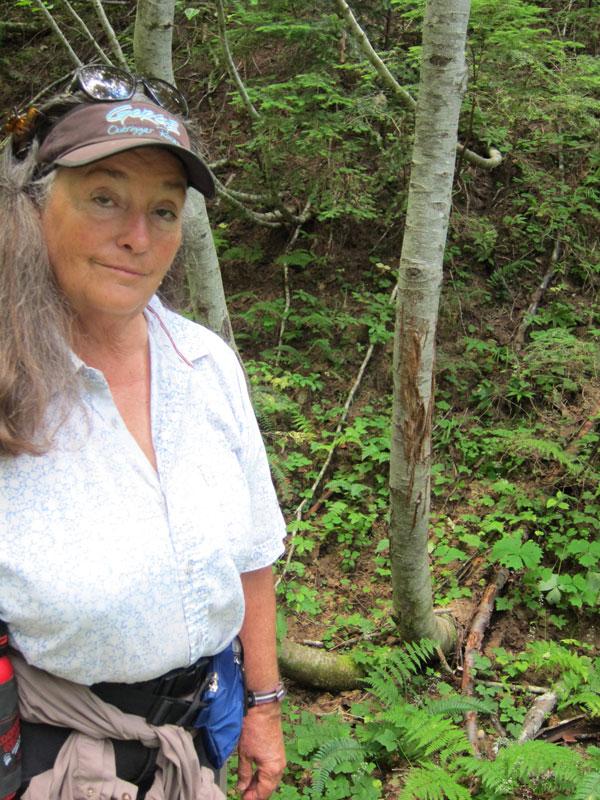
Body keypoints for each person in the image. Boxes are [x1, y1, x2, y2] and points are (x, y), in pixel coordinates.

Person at [0, 65, 287, 800]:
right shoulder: (11, 383)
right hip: (51, 753)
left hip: (204, 723)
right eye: (104, 198)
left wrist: (263, 707)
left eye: (164, 210)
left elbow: (253, 556)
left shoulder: (206, 364)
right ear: (33, 207)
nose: (138, 236)